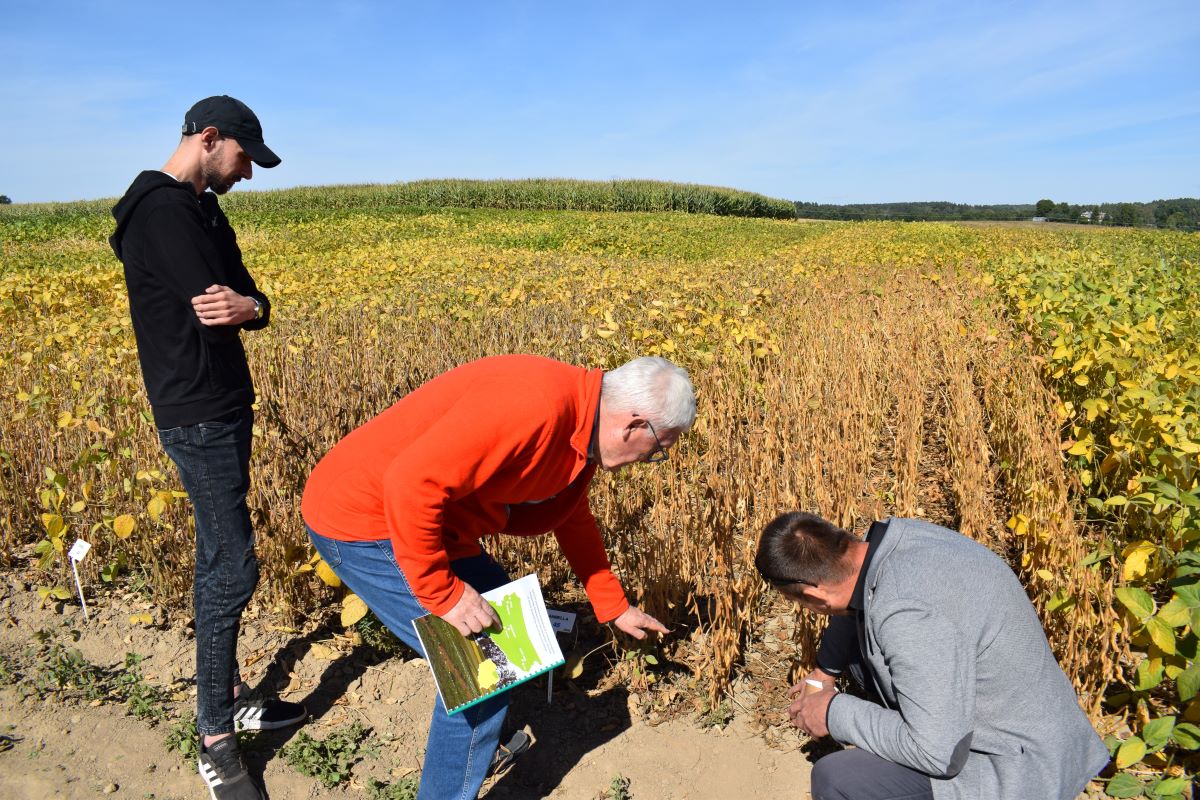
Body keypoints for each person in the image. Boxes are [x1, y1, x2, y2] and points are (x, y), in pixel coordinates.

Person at [301, 353, 696, 799]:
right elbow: (412, 484)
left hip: (434, 522)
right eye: (658, 452)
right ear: (634, 425)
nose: (648, 462)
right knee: (487, 670)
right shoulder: (536, 406)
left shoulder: (584, 423)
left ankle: (475, 744)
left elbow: (571, 516)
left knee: (510, 640)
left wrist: (613, 604)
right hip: (365, 523)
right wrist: (444, 594)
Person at [109, 96, 305, 800]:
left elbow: (246, 301)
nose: (248, 173)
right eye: (245, 157)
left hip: (222, 406)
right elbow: (213, 307)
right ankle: (215, 736)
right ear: (211, 138)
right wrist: (243, 309)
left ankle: (227, 694)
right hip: (197, 413)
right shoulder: (163, 212)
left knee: (217, 557)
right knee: (235, 568)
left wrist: (252, 307)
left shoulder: (204, 211)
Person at [756, 512, 1109, 800]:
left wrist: (834, 711)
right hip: (1023, 722)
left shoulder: (908, 616)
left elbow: (936, 752)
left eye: (803, 603)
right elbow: (853, 603)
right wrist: (823, 673)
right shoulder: (894, 546)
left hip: (1022, 765)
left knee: (839, 778)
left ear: (814, 593)